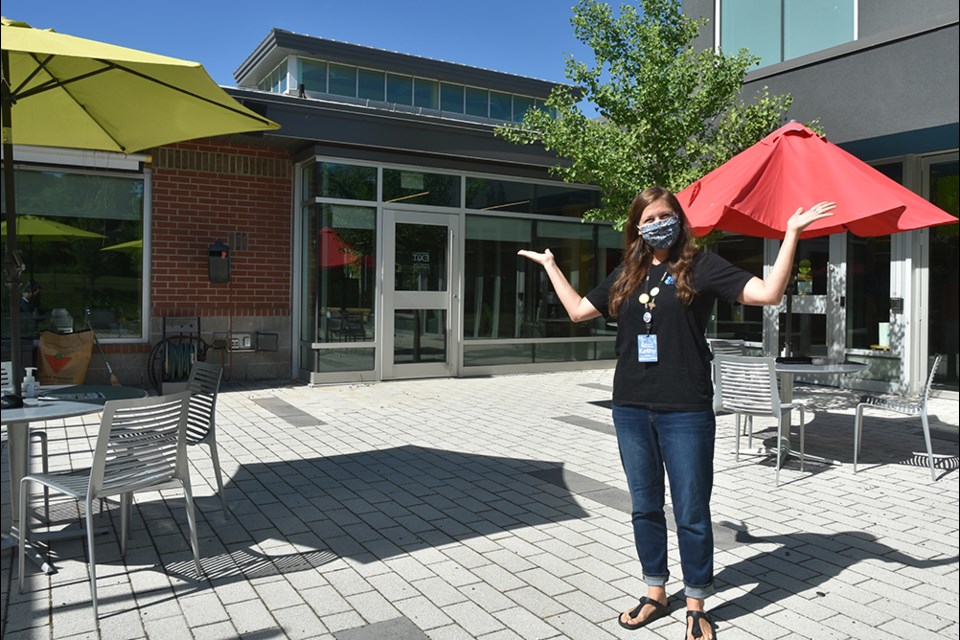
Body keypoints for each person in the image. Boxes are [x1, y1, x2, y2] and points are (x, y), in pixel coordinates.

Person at [518, 186, 835, 640]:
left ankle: (697, 603)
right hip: (629, 406)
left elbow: (767, 294)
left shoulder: (700, 266)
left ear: (678, 220)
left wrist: (790, 233)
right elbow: (575, 312)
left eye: (664, 216)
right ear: (637, 227)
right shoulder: (628, 271)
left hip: (684, 409)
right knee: (644, 507)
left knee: (690, 509)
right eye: (647, 219)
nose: (656, 224)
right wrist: (552, 266)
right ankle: (655, 592)